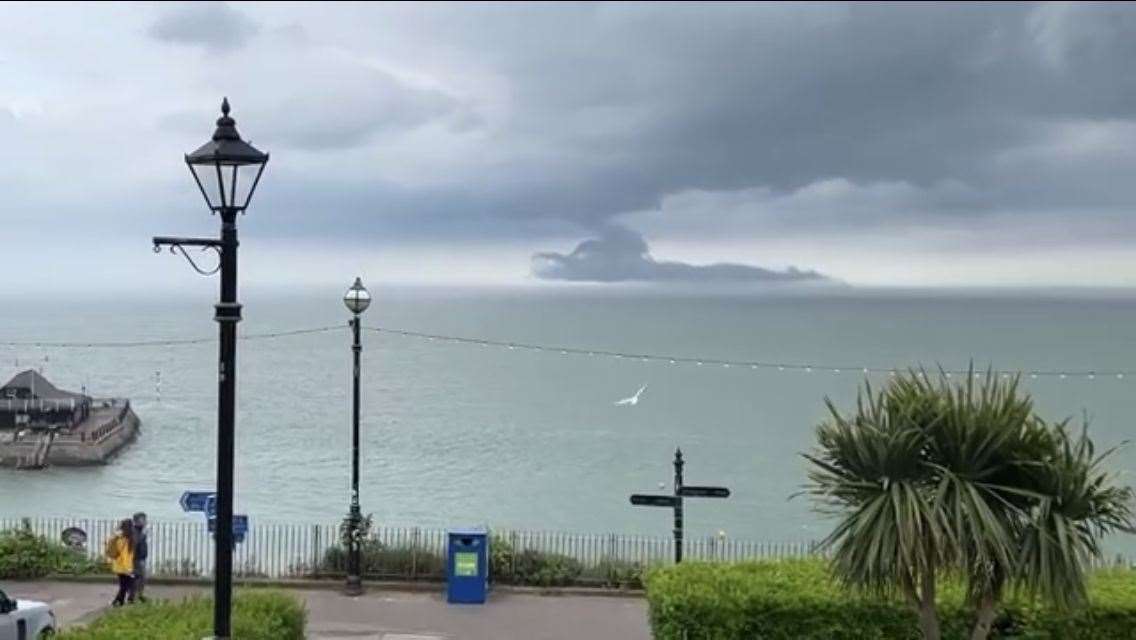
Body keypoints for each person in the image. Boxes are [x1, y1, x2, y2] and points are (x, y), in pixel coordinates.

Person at [105, 518, 135, 607]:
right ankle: (118, 602)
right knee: (125, 586)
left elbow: (109, 545)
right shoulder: (129, 539)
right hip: (125, 567)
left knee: (124, 586)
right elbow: (126, 556)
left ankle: (118, 602)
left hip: (119, 566)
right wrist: (129, 569)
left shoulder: (119, 538)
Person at [128, 512, 148, 603]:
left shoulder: (140, 531)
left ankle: (138, 595)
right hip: (137, 559)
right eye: (143, 519)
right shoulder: (136, 532)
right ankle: (133, 597)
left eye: (145, 519)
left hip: (141, 558)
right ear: (137, 521)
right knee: (138, 577)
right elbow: (135, 544)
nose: (145, 521)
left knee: (141, 578)